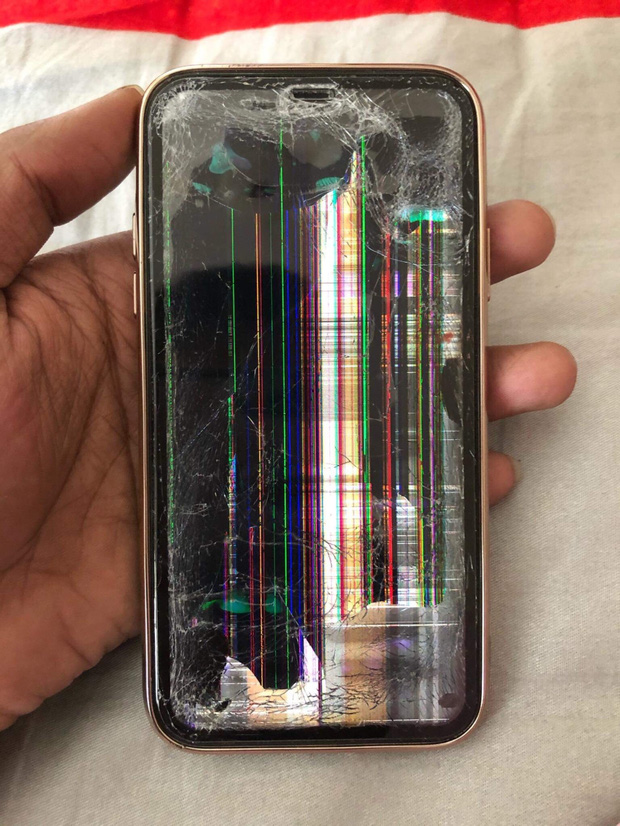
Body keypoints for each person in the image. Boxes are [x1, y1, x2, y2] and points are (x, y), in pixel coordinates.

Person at [0, 86, 577, 730]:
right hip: (235, 364)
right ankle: (246, 643)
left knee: (274, 491)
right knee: (245, 494)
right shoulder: (225, 217)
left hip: (277, 368)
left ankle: (264, 637)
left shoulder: (304, 234)